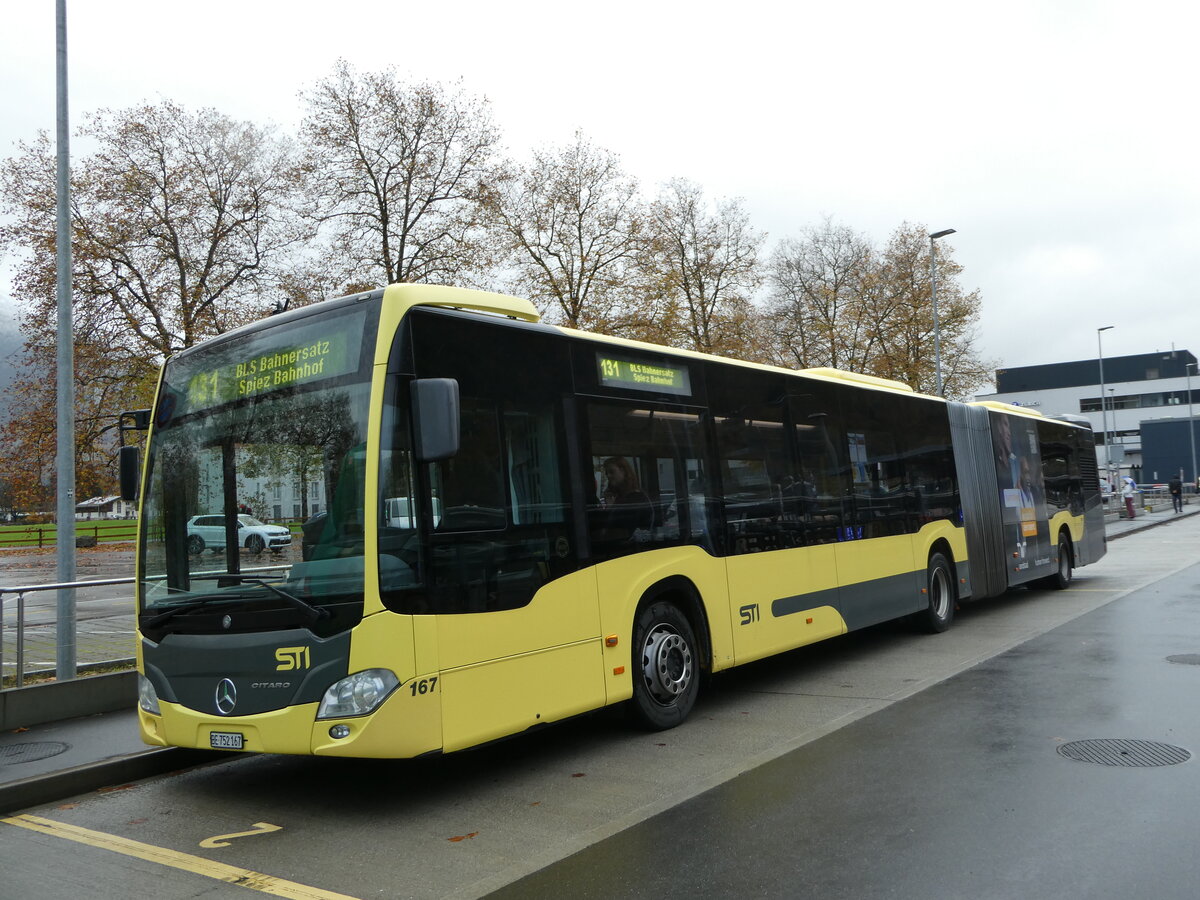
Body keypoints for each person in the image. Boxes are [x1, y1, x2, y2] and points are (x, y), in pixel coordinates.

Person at [599, 456, 654, 540]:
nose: (608, 476)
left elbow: (620, 532)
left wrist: (610, 509)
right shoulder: (620, 497)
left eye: (611, 472)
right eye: (607, 473)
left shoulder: (635, 498)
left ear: (623, 471)